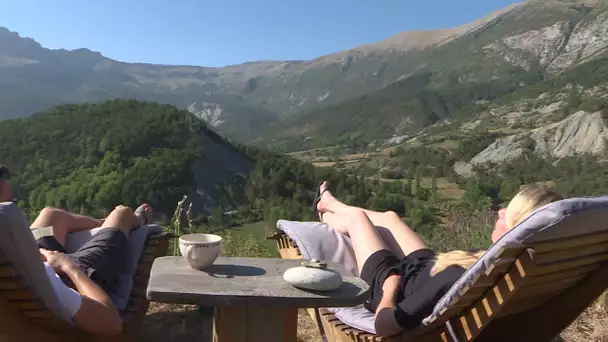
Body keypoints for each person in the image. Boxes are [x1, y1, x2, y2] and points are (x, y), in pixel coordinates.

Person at [313, 180, 562, 337]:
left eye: (509, 213)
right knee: (390, 218)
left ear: (517, 228)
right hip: (427, 267)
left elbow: (386, 325)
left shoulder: (461, 276)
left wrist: (389, 288)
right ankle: (329, 204)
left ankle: (325, 212)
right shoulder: (518, 266)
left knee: (358, 219)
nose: (500, 210)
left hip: (394, 282)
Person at [0, 164, 152, 336]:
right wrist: (69, 266)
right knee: (122, 212)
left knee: (51, 214)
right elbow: (111, 323)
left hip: (30, 254)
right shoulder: (47, 283)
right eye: (10, 202)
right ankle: (132, 221)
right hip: (66, 272)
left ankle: (103, 223)